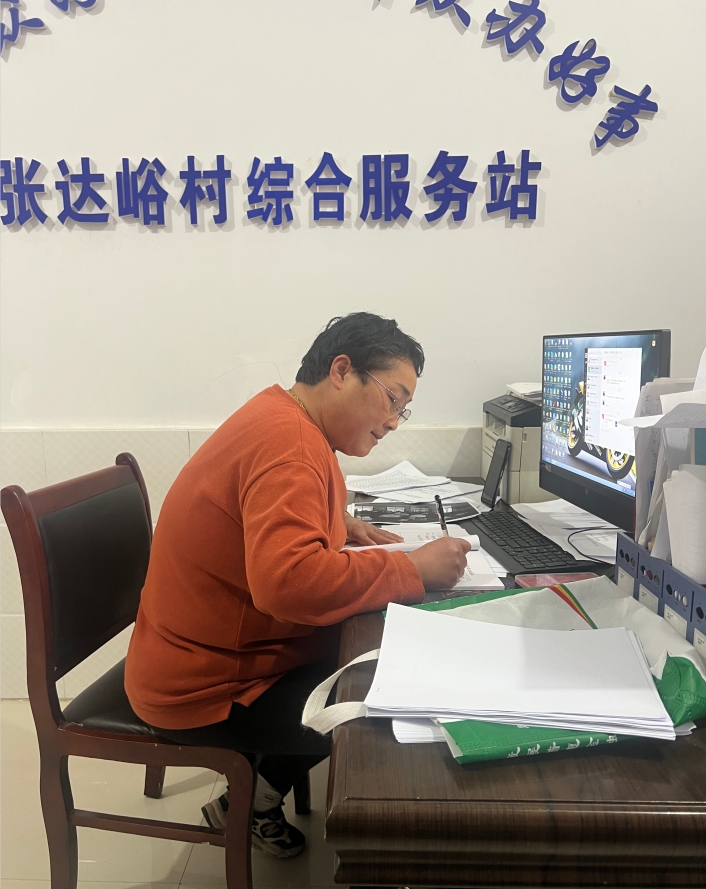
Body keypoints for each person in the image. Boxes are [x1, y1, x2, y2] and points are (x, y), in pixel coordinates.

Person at [124, 312, 471, 857]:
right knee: (378, 695)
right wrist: (413, 571)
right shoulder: (289, 442)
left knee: (375, 649)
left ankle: (258, 794)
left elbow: (261, 514)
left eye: (403, 410)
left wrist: (338, 523)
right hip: (204, 686)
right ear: (341, 371)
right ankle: (250, 805)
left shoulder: (280, 416)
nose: (394, 422)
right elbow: (287, 584)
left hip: (191, 654)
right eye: (392, 399)